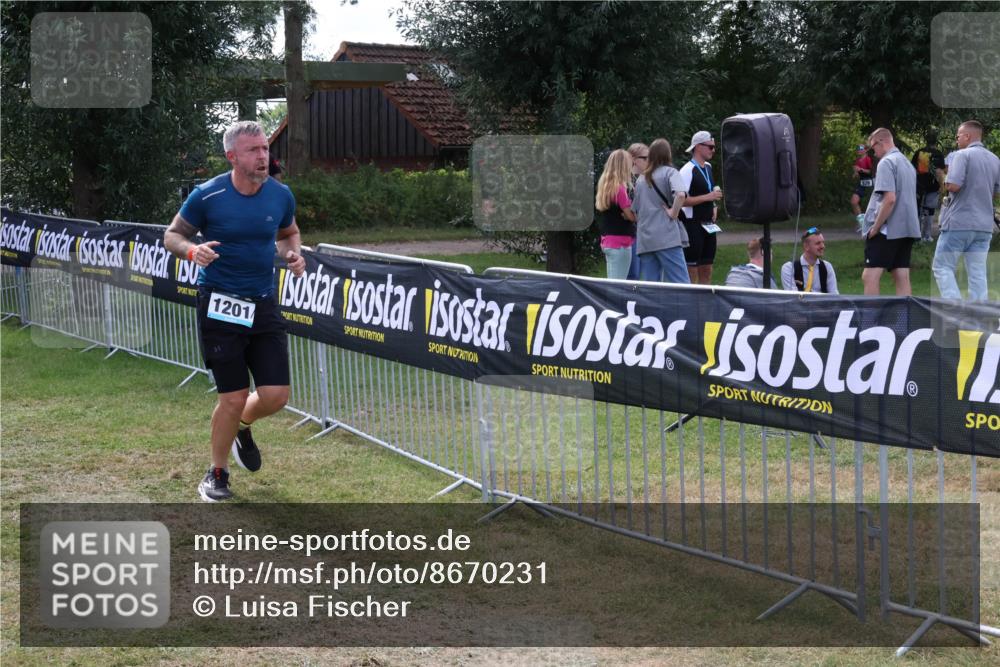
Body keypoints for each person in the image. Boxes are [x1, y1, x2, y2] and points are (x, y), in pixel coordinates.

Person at [164, 120, 306, 502]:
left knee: (276, 395)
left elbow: (287, 232)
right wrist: (192, 251)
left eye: (264, 149)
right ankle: (217, 472)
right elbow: (172, 235)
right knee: (232, 395)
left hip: (261, 303)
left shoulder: (280, 195)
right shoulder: (207, 196)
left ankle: (243, 425)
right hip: (220, 304)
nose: (263, 156)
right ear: (232, 157)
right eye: (253, 151)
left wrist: (293, 253)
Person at [932, 120, 1000, 301]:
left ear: (967, 136)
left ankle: (955, 309)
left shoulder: (962, 155)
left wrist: (943, 178)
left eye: (958, 136)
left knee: (942, 267)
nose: (956, 140)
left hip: (959, 222)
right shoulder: (995, 159)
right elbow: (995, 193)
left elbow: (953, 185)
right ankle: (979, 313)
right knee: (977, 272)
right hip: (984, 225)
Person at [861, 128, 920, 296]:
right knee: (901, 276)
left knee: (869, 276)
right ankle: (905, 321)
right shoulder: (907, 163)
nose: (874, 153)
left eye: (873, 148)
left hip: (889, 228)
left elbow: (890, 199)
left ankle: (871, 321)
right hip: (907, 228)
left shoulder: (887, 162)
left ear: (881, 142)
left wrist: (875, 227)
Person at [632, 138, 689, 284]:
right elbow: (681, 194)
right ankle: (685, 307)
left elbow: (636, 210)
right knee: (681, 283)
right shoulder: (670, 172)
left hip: (646, 240)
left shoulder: (641, 179)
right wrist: (673, 213)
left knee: (652, 285)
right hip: (667, 237)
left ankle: (653, 308)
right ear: (668, 154)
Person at [679, 131, 724, 284]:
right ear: (698, 147)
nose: (713, 150)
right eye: (710, 147)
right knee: (692, 268)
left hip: (708, 225)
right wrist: (708, 197)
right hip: (693, 225)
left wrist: (714, 205)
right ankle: (691, 302)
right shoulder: (687, 170)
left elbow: (711, 190)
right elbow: (681, 201)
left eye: (714, 147)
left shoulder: (709, 167)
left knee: (707, 267)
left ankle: (704, 304)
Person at [595, 149, 637, 280]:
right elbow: (630, 216)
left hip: (608, 239)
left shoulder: (606, 186)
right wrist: (635, 216)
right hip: (621, 243)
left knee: (613, 281)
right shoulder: (620, 189)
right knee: (617, 285)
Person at [911, 130, 946, 242]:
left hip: (919, 184)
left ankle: (916, 235)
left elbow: (912, 169)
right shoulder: (938, 154)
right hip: (933, 186)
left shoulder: (919, 152)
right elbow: (939, 172)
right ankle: (927, 235)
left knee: (918, 209)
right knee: (929, 210)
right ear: (936, 142)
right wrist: (942, 186)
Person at [780, 227, 839, 294]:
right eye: (818, 243)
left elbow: (834, 296)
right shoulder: (789, 268)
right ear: (806, 247)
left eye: (823, 242)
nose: (823, 246)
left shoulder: (827, 267)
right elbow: (793, 297)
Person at [625, 142, 649, 280]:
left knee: (646, 275)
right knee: (633, 274)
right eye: (645, 158)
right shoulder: (625, 181)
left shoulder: (646, 180)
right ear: (633, 159)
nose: (649, 162)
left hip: (645, 234)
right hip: (630, 234)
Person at [850, 144, 875, 230]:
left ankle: (873, 224)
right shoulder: (857, 160)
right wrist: (855, 173)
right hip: (861, 184)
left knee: (871, 205)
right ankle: (862, 223)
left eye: (861, 148)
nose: (859, 150)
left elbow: (871, 172)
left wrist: (861, 170)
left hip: (870, 184)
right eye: (858, 148)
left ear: (866, 150)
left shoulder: (868, 159)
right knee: (854, 201)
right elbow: (857, 174)